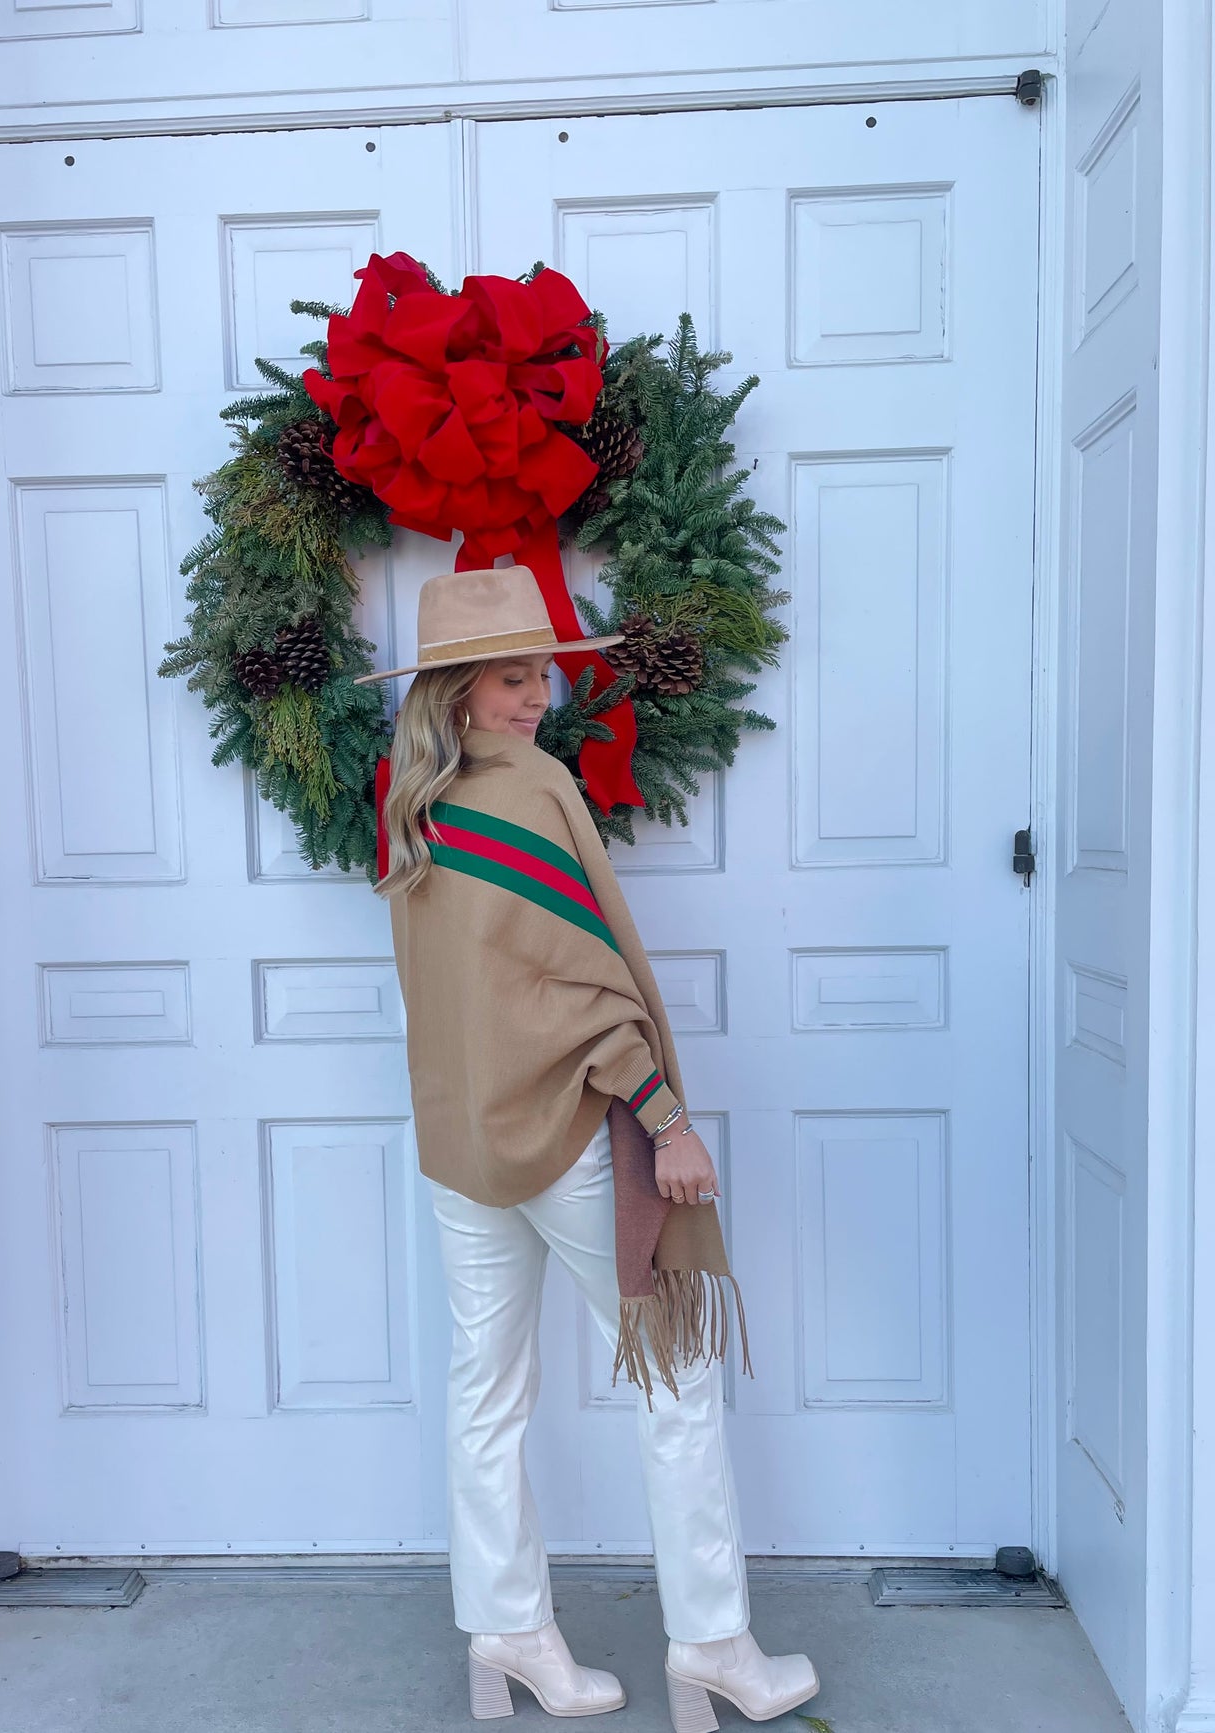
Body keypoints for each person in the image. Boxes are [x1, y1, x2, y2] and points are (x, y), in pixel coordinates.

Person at [361, 566, 820, 1727]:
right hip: (563, 1131)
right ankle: (713, 1645)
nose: (536, 695)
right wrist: (662, 1116)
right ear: (457, 691)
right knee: (674, 1376)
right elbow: (576, 986)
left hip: (458, 1137)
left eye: (541, 672)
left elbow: (482, 987)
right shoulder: (526, 790)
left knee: (484, 1392)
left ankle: (508, 1634)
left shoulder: (412, 803)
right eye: (511, 677)